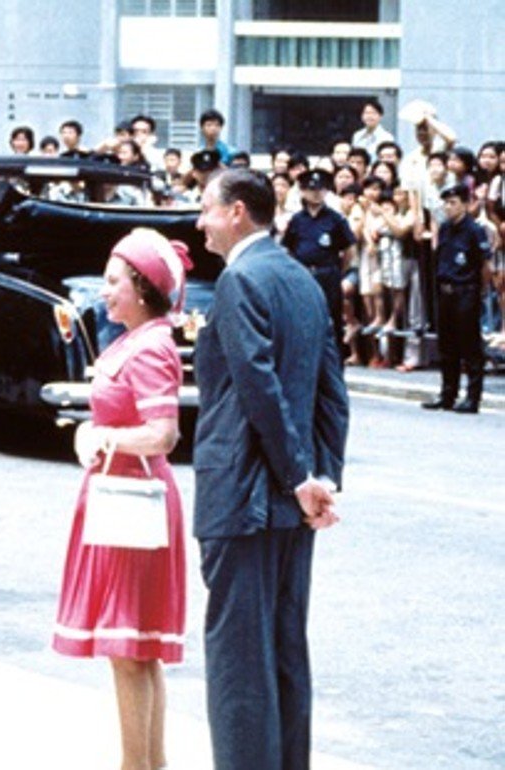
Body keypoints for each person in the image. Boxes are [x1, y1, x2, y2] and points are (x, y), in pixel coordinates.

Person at [193, 168, 349, 769]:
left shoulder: (240, 281)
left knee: (238, 660)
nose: (200, 220)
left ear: (237, 213)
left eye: (207, 209)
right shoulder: (303, 282)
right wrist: (321, 478)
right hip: (292, 505)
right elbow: (331, 392)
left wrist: (298, 477)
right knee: (286, 651)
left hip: (244, 496)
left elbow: (259, 390)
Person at [53, 228, 190, 770]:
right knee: (136, 650)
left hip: (131, 500)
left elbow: (163, 434)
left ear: (141, 286)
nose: (104, 293)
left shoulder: (152, 344)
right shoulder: (136, 339)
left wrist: (101, 438)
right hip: (121, 496)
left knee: (130, 649)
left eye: (113, 282)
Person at [422, 184, 491, 414]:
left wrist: (480, 291)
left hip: (466, 290)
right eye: (446, 203)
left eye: (453, 203)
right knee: (447, 346)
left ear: (465, 204)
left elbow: (484, 265)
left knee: (470, 346)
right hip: (445, 291)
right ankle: (448, 393)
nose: (448, 207)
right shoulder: (444, 229)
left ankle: (473, 397)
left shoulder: (474, 230)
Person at [280, 168, 357, 353]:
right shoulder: (297, 220)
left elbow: (349, 249)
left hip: (327, 275)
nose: (316, 193)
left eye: (320, 189)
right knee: (302, 320)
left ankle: (334, 369)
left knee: (331, 321)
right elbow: (288, 249)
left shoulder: (335, 219)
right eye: (311, 189)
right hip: (303, 275)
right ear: (303, 192)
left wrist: (338, 271)